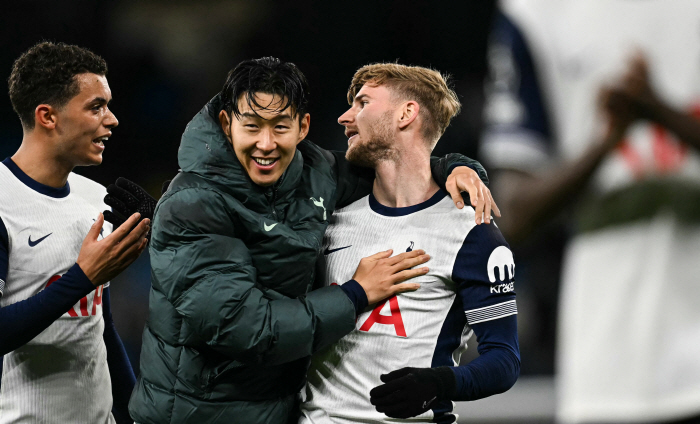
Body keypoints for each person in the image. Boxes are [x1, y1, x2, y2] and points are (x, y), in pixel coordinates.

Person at [122, 57, 496, 424]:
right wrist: (356, 294)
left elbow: (399, 168)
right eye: (251, 126)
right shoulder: (191, 204)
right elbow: (250, 330)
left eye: (280, 127)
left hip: (278, 411)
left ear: (302, 128)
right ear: (226, 124)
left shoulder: (317, 174)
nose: (265, 144)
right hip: (193, 415)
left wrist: (456, 168)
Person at [482, 1, 700, 422]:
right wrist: (605, 144)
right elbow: (512, 212)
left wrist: (658, 111)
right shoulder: (535, 12)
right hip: (607, 357)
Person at [299, 63, 520, 424]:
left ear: (406, 114)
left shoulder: (472, 232)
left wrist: (439, 382)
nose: (344, 118)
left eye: (362, 103)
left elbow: (504, 360)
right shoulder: (327, 216)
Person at [0, 42, 150, 424]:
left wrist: (132, 413)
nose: (112, 119)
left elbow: (101, 325)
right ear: (48, 116)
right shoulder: (2, 200)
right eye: (96, 106)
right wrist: (83, 277)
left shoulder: (95, 199)